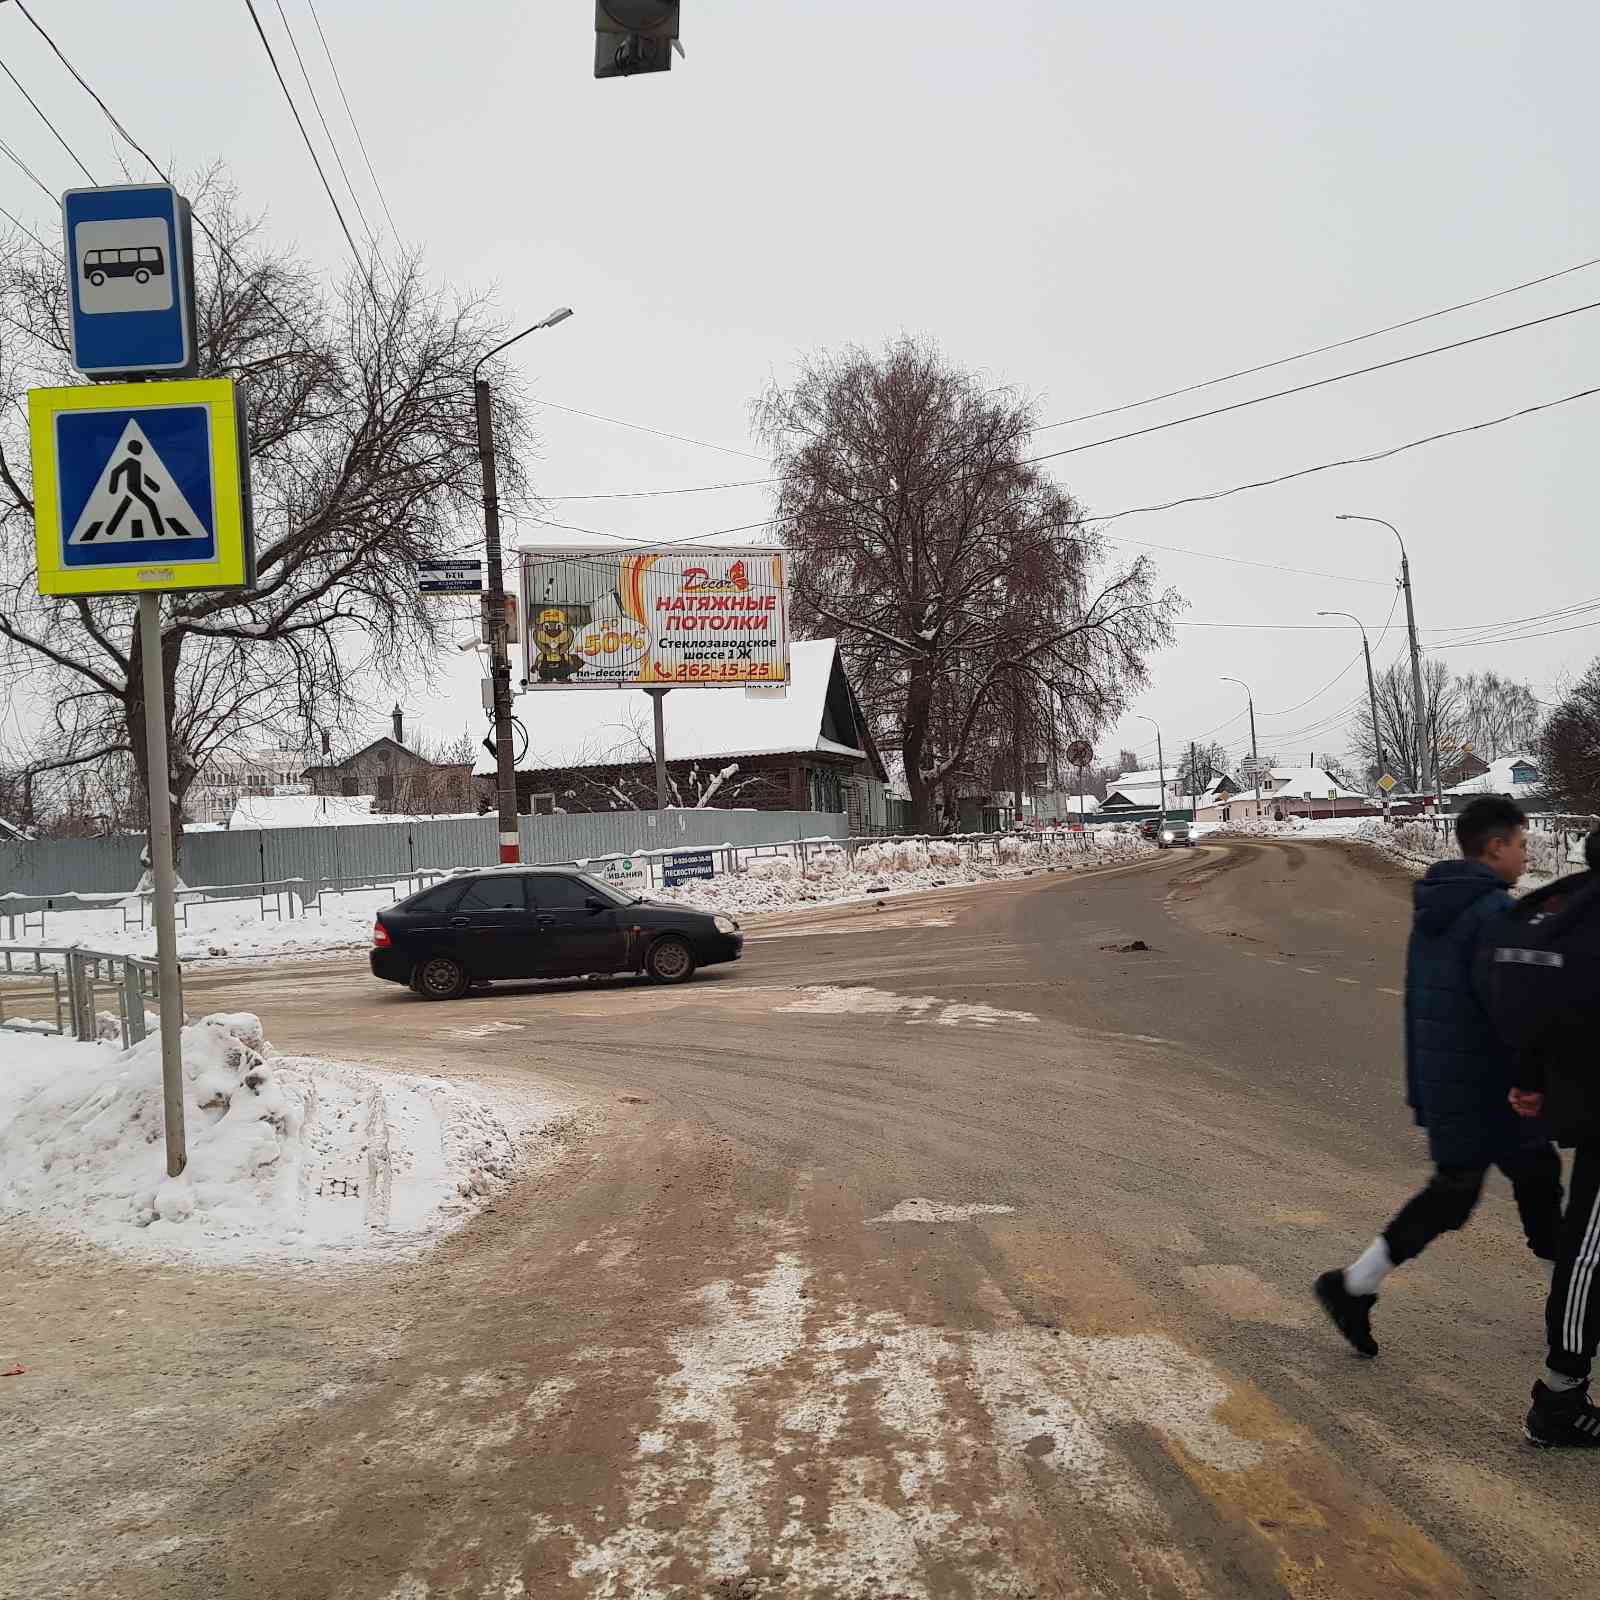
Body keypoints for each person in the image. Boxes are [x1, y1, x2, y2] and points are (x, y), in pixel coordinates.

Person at [1314, 795, 1563, 1357]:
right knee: (1511, 1184)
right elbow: (1509, 1003)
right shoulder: (1492, 912)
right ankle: (1573, 1301)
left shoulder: (1444, 903)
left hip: (1452, 1075)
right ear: (1495, 847)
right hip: (1489, 1083)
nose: (1526, 857)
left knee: (1501, 1183)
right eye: (1522, 845)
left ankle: (1354, 1285)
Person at [1499, 828, 1600, 1446]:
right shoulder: (1576, 914)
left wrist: (1528, 1077)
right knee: (1589, 1246)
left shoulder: (1560, 902)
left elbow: (1522, 995)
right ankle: (1559, 1397)